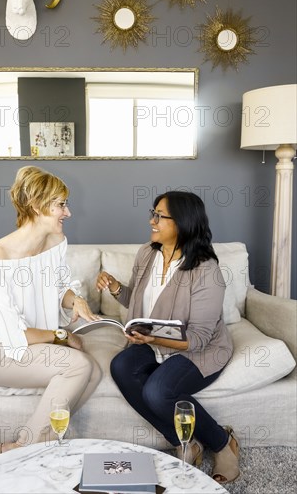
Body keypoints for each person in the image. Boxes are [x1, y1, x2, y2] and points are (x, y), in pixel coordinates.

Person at [96, 191, 239, 484]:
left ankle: (222, 443)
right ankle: (185, 441)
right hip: (154, 343)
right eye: (153, 213)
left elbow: (199, 337)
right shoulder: (147, 254)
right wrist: (114, 288)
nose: (152, 220)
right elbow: (137, 302)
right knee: (121, 366)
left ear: (183, 222)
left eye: (160, 216)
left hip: (197, 349)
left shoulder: (206, 270)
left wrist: (152, 340)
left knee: (157, 391)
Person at [0, 166, 102, 455]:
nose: (68, 213)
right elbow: (14, 333)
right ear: (37, 206)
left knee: (94, 372)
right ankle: (20, 448)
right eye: (61, 204)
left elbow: (60, 288)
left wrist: (76, 300)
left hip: (31, 345)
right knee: (80, 365)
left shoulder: (56, 243)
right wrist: (62, 336)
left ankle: (39, 444)